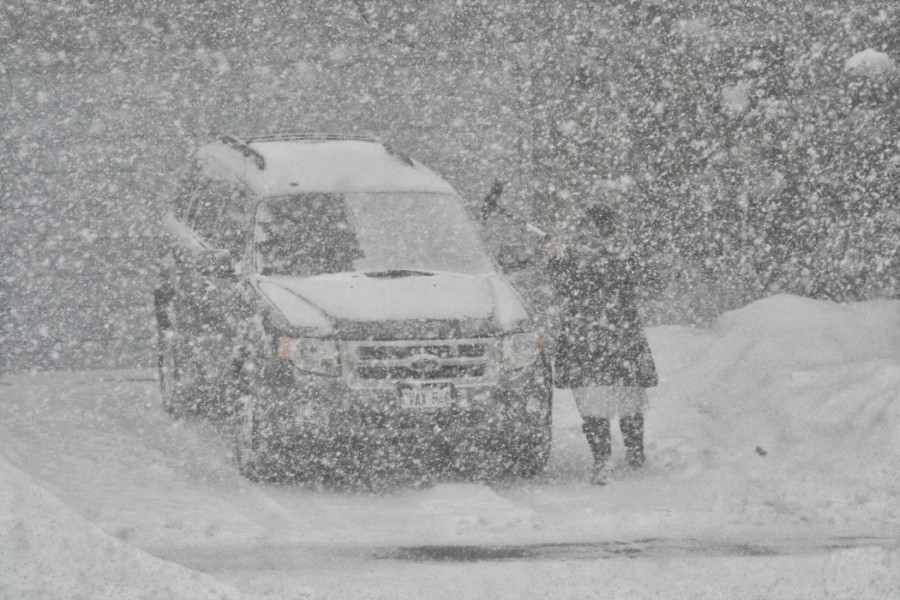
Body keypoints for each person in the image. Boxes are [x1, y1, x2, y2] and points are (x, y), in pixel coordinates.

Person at [546, 203, 658, 485]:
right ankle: (628, 455)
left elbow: (570, 286)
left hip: (592, 336)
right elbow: (568, 285)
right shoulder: (611, 251)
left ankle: (610, 458)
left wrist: (560, 260)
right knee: (622, 396)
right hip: (612, 335)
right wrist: (558, 259)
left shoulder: (605, 252)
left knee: (604, 399)